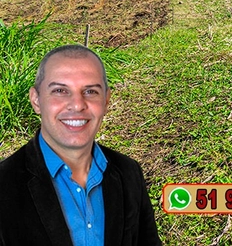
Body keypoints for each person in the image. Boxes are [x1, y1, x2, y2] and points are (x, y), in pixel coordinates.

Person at [0, 44, 162, 246]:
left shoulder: (129, 173)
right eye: (60, 90)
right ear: (36, 100)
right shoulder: (4, 184)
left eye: (91, 91)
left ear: (106, 100)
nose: (77, 105)